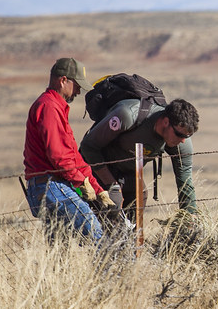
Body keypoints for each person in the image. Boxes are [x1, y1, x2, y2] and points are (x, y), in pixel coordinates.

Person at [23, 58, 115, 240]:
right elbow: (59, 157)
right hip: (50, 186)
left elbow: (73, 156)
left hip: (49, 185)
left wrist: (98, 190)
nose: (79, 91)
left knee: (58, 249)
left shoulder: (55, 107)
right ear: (63, 80)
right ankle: (111, 270)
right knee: (97, 235)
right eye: (77, 85)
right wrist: (81, 183)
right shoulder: (49, 107)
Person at [79, 97, 200, 218]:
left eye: (187, 136)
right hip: (96, 168)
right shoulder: (128, 115)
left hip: (128, 173)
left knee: (138, 199)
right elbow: (88, 146)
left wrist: (189, 218)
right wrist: (112, 185)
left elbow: (185, 180)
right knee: (96, 223)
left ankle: (130, 236)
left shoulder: (180, 141)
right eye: (180, 134)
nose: (183, 140)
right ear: (166, 122)